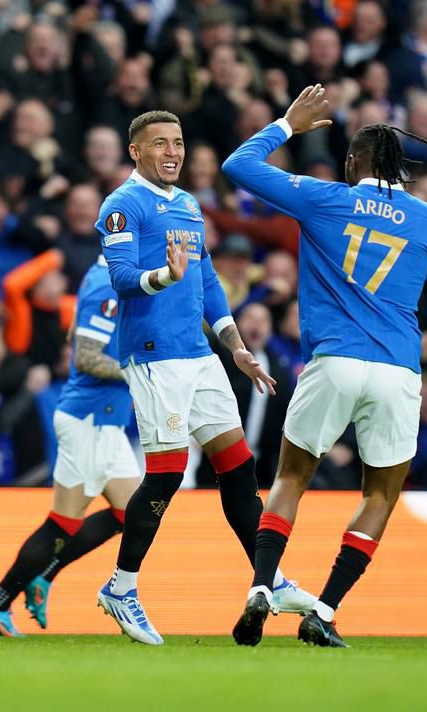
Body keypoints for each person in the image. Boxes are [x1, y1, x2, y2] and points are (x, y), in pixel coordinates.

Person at [221, 85, 427, 648]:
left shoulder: (324, 198)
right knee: (380, 495)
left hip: (332, 362)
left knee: (291, 479)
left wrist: (288, 124)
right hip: (396, 372)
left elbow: (237, 166)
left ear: (352, 163)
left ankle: (262, 587)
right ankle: (326, 608)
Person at [94, 110, 315, 647]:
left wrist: (235, 345)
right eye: (160, 144)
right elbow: (122, 279)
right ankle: (121, 588)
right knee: (167, 473)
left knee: (238, 468)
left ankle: (271, 579)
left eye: (178, 142)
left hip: (200, 355)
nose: (172, 152)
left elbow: (209, 281)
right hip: (154, 356)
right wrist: (162, 276)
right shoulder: (123, 206)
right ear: (135, 152)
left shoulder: (189, 205)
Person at [0, 255, 141, 637]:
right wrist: (142, 371)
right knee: (63, 522)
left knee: (131, 515)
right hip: (90, 419)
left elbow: (76, 336)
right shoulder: (107, 287)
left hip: (106, 421)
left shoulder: (104, 276)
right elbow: (84, 356)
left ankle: (43, 576)